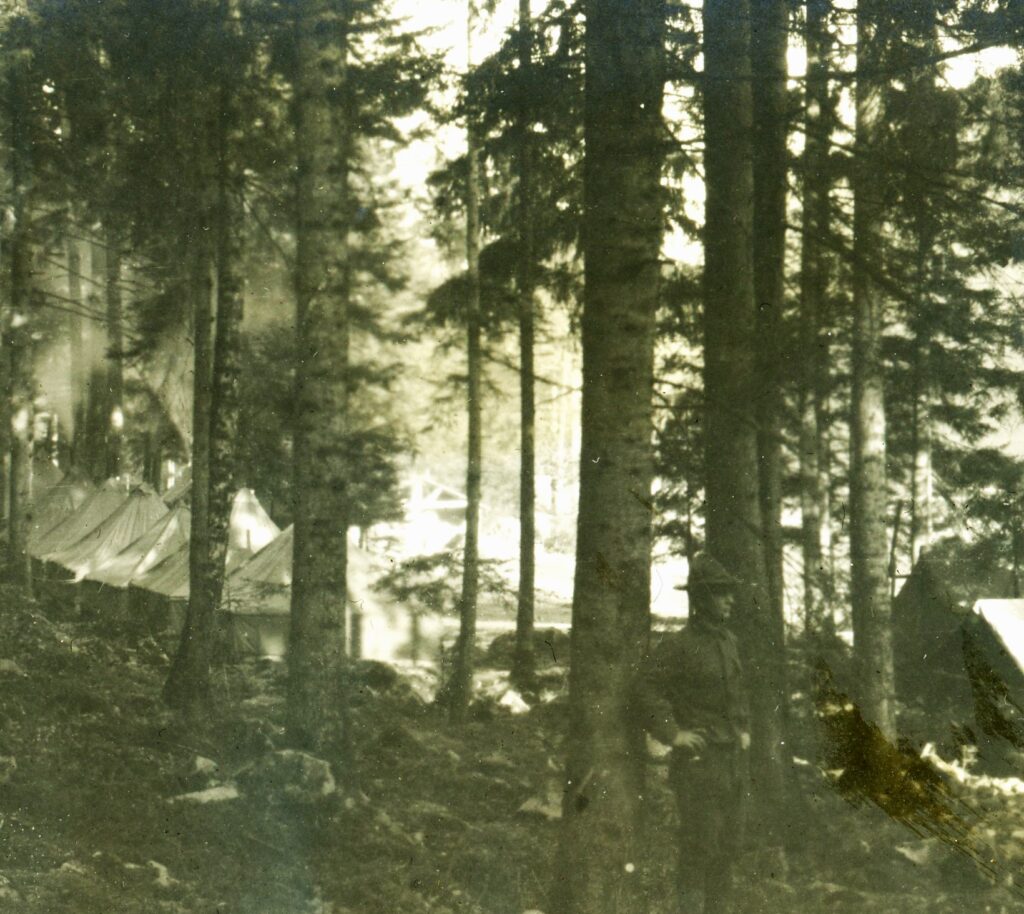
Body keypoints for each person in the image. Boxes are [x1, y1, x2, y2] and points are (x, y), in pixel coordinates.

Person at [636, 553, 750, 914]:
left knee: (728, 846)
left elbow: (737, 692)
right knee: (699, 847)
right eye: (721, 593)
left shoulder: (730, 640)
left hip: (731, 760)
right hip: (699, 765)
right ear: (700, 599)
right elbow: (644, 689)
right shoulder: (679, 646)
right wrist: (673, 734)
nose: (730, 599)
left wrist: (743, 728)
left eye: (730, 592)